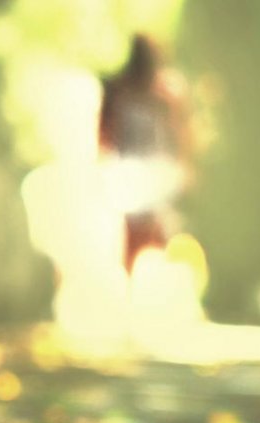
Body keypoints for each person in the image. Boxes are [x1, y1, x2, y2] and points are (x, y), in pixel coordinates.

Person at [98, 35, 191, 274]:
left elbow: (178, 132)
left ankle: (148, 280)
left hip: (151, 174)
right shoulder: (122, 92)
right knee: (143, 232)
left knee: (153, 231)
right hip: (134, 174)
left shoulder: (163, 92)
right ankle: (137, 280)